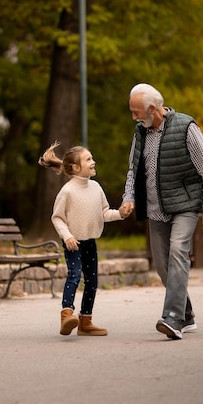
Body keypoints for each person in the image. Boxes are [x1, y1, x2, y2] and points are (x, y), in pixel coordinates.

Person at [119, 83, 203, 340]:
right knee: (163, 265)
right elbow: (133, 169)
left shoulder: (186, 127)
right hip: (155, 209)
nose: (133, 117)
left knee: (178, 251)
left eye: (136, 112)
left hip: (185, 205)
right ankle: (186, 315)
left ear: (152, 109)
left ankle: (172, 318)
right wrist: (128, 197)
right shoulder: (140, 133)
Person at [39, 141, 130, 337]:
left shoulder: (96, 187)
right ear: (75, 167)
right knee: (75, 274)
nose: (93, 161)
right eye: (88, 159)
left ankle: (85, 321)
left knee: (92, 281)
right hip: (73, 242)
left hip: (90, 241)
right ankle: (66, 314)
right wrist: (67, 236)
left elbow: (105, 212)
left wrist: (120, 214)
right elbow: (57, 218)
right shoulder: (67, 191)